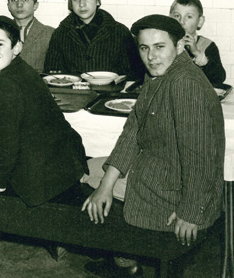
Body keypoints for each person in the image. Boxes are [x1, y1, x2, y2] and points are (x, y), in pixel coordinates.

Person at [81, 15, 224, 278]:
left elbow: (201, 158)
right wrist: (107, 184)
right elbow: (133, 129)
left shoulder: (184, 84)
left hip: (177, 186)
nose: (151, 56)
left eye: (160, 47)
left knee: (83, 175)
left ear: (179, 46)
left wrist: (190, 212)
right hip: (161, 166)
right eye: (144, 48)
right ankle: (124, 258)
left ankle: (124, 259)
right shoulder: (158, 75)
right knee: (90, 171)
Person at [0, 16, 87, 210]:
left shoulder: (6, 83)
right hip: (65, 166)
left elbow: (6, 144)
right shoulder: (23, 69)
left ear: (16, 48)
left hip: (40, 180)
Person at [44, 0, 144, 79]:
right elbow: (52, 73)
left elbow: (135, 73)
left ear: (97, 0)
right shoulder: (60, 33)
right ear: (70, 3)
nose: (82, 4)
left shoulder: (120, 31)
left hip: (111, 94)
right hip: (73, 94)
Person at [169, 0, 226, 85]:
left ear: (200, 21)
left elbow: (219, 78)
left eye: (189, 17)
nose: (181, 22)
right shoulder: (163, 43)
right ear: (170, 18)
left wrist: (197, 53)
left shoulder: (207, 45)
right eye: (176, 16)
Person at [6, 0, 54, 73]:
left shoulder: (50, 34)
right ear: (8, 5)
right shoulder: (0, 33)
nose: (19, 4)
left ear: (35, 5)